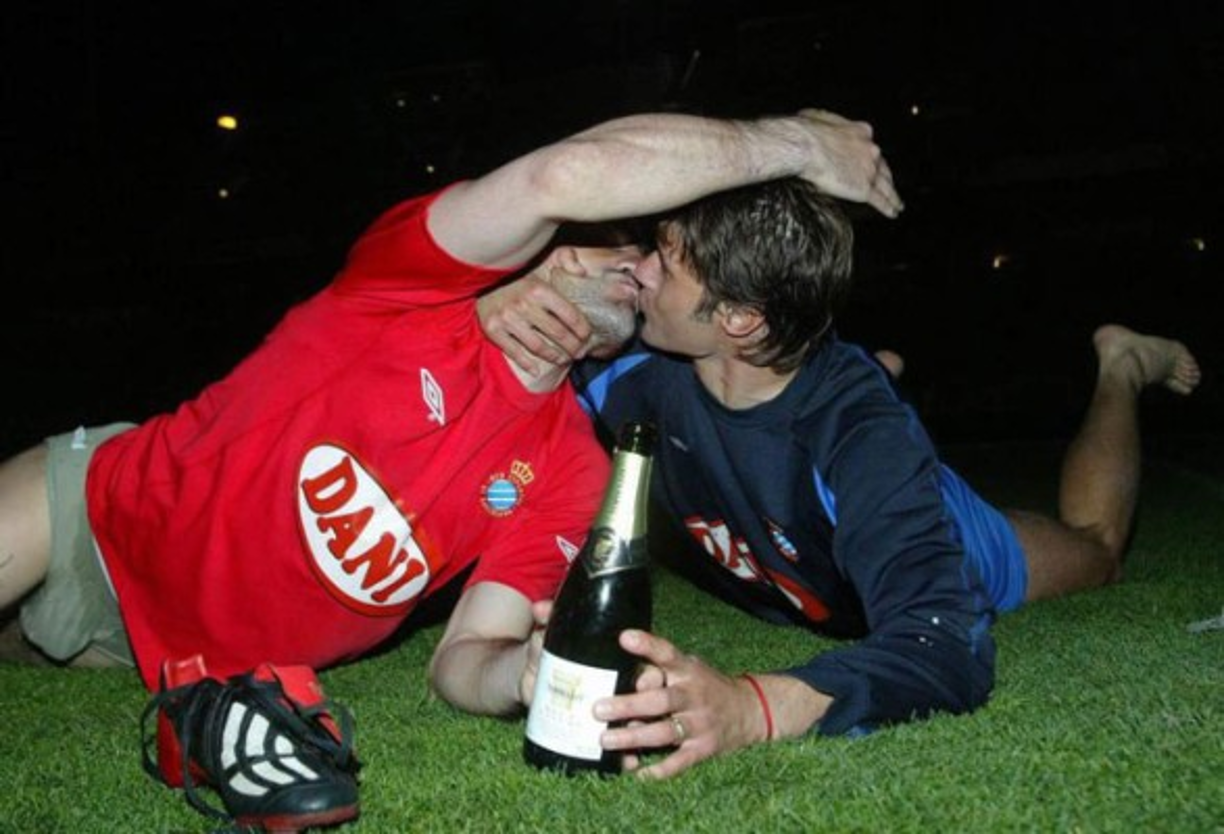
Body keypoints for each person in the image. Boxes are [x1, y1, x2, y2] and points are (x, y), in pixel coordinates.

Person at [0, 109, 901, 826]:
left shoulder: (573, 472)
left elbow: (463, 656)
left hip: (195, 665)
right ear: (543, 246)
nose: (637, 263)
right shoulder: (408, 284)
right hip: (98, 512)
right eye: (616, 239)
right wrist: (797, 143)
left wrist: (524, 673)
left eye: (653, 256)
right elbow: (565, 173)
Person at [479, 176, 1202, 780]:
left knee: (1096, 550)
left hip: (920, 516)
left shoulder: (858, 441)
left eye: (665, 264)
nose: (637, 267)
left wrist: (751, 708)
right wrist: (492, 303)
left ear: (737, 318)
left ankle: (1122, 365)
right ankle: (867, 371)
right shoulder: (636, 363)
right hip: (796, 541)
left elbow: (940, 644)